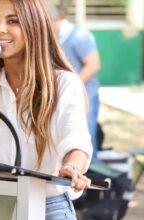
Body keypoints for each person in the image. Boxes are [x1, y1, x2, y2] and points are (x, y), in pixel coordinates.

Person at [0, 0, 93, 219]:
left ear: (35, 28)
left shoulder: (64, 83)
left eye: (12, 21)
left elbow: (76, 141)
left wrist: (72, 167)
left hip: (47, 208)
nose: (0, 29)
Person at [48, 6, 101, 159]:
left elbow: (93, 64)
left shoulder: (79, 35)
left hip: (86, 95)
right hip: (62, 96)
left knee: (85, 138)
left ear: (57, 19)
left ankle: (89, 175)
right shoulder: (55, 37)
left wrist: (72, 86)